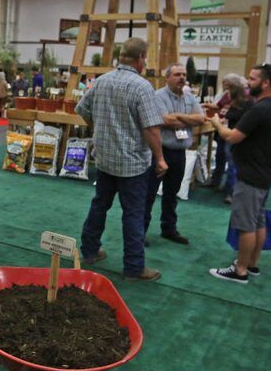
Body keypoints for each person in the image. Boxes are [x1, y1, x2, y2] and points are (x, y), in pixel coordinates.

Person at [76, 37, 167, 281]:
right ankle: (134, 266)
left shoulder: (101, 81)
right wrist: (159, 158)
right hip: (132, 164)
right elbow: (151, 129)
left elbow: (82, 110)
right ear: (140, 59)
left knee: (99, 205)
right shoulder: (142, 86)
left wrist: (98, 129)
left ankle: (90, 251)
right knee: (133, 214)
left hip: (105, 159)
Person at [209, 64, 271, 284]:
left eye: (252, 79)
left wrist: (216, 123)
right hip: (263, 172)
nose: (247, 83)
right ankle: (252, 263)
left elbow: (232, 137)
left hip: (251, 174)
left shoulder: (259, 109)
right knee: (258, 221)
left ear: (265, 82)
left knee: (245, 224)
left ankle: (240, 270)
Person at [144, 64, 205, 245]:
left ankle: (168, 229)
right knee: (149, 194)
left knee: (172, 193)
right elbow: (163, 119)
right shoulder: (157, 96)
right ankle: (139, 232)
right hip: (158, 152)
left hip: (179, 154)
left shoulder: (190, 97)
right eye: (177, 74)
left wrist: (176, 117)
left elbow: (200, 119)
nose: (182, 78)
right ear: (167, 77)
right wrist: (186, 120)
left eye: (184, 74)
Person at [222, 79, 248, 203]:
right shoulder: (238, 105)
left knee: (232, 166)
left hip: (234, 138)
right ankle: (231, 190)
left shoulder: (240, 107)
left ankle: (231, 192)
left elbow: (230, 117)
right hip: (236, 138)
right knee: (234, 166)